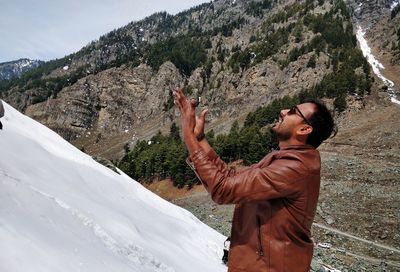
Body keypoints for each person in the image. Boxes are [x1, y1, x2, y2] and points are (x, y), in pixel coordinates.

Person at [173, 88, 336, 272]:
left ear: (304, 129)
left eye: (292, 112)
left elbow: (222, 189)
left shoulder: (295, 168)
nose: (282, 111)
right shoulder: (286, 160)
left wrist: (187, 133)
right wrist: (200, 139)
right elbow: (231, 178)